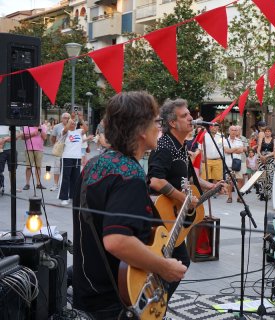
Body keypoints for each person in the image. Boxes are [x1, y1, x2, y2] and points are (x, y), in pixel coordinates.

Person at [72, 91, 187, 318]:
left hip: (88, 292)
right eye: (156, 122)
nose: (160, 128)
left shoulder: (95, 164)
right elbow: (117, 241)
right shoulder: (130, 175)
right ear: (141, 130)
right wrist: (164, 267)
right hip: (116, 300)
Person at [148, 98, 223, 300]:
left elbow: (190, 177)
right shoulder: (164, 145)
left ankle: (157, 303)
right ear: (172, 123)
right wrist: (182, 198)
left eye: (190, 114)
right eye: (185, 116)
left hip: (175, 221)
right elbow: (155, 181)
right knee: (176, 263)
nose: (191, 118)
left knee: (178, 263)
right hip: (161, 218)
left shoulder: (180, 146)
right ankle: (154, 303)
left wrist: (210, 186)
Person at [59, 119, 88, 206]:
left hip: (77, 158)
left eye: (74, 123)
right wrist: (69, 121)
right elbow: (65, 130)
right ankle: (64, 198)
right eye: (71, 123)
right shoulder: (65, 132)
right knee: (65, 178)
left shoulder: (79, 131)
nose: (73, 124)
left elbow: (86, 129)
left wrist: (81, 119)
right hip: (67, 157)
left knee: (75, 178)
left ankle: (72, 196)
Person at [223, 125, 246, 203]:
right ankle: (229, 197)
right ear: (229, 131)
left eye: (235, 130)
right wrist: (235, 149)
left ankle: (239, 197)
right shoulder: (225, 140)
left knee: (240, 180)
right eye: (232, 130)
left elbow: (241, 150)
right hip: (229, 163)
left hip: (237, 163)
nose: (234, 132)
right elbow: (226, 150)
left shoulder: (239, 140)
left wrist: (232, 150)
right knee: (229, 181)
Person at [21, 124, 48, 190]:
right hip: (29, 149)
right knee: (28, 167)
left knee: (38, 167)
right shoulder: (27, 126)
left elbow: (45, 138)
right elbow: (22, 137)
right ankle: (27, 184)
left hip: (39, 149)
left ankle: (38, 184)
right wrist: (33, 134)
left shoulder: (43, 126)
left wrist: (40, 130)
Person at [50, 113, 71, 191]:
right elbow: (53, 138)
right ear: (62, 119)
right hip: (60, 149)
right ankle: (56, 184)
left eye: (68, 118)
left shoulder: (72, 126)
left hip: (69, 149)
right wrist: (56, 145)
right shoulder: (57, 127)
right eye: (65, 118)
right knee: (57, 167)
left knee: (66, 168)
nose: (67, 119)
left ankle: (65, 185)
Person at [257, 126, 275, 201]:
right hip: (261, 158)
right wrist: (261, 156)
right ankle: (261, 193)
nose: (267, 133)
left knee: (269, 176)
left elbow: (274, 151)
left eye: (269, 131)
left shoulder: (274, 140)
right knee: (261, 176)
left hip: (270, 159)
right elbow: (258, 149)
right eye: (266, 131)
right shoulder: (262, 139)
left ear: (271, 132)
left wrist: (267, 156)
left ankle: (268, 194)